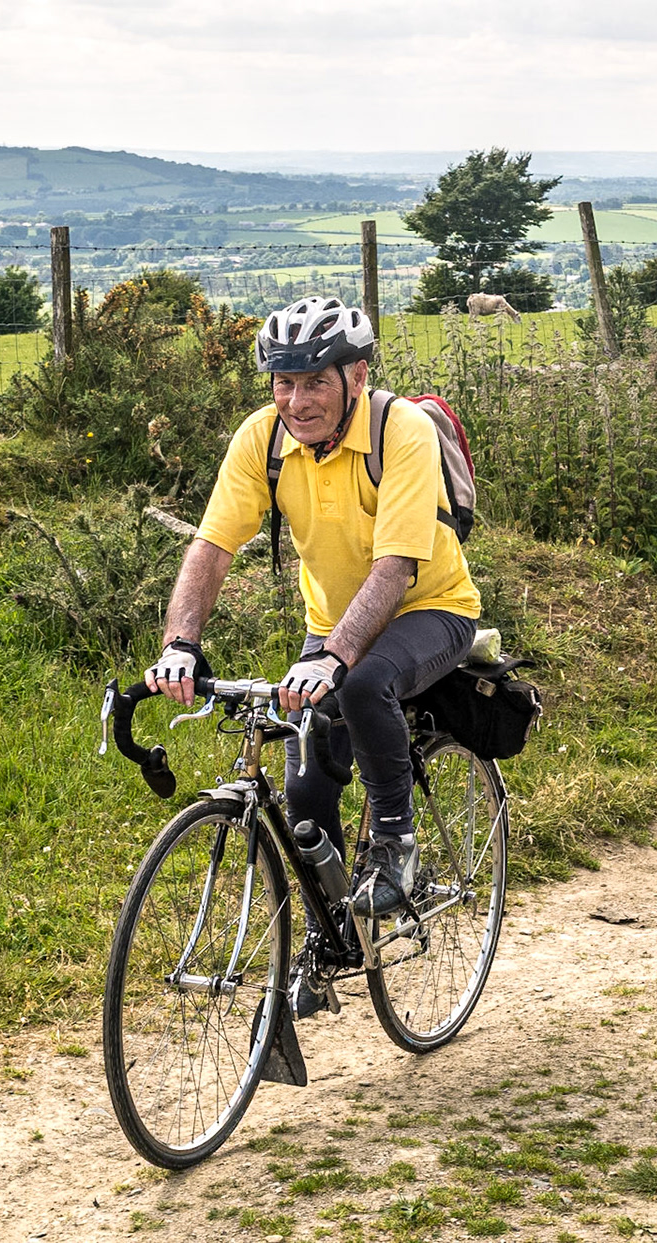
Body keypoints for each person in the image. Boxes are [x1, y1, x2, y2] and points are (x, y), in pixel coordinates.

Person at [144, 295, 481, 1011]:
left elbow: (396, 567)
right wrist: (180, 643)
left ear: (356, 376)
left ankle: (395, 843)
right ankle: (333, 939)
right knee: (303, 791)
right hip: (332, 624)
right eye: (283, 382)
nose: (297, 402)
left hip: (432, 609)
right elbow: (211, 546)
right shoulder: (263, 439)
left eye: (316, 382)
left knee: (360, 686)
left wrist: (334, 659)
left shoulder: (401, 431)